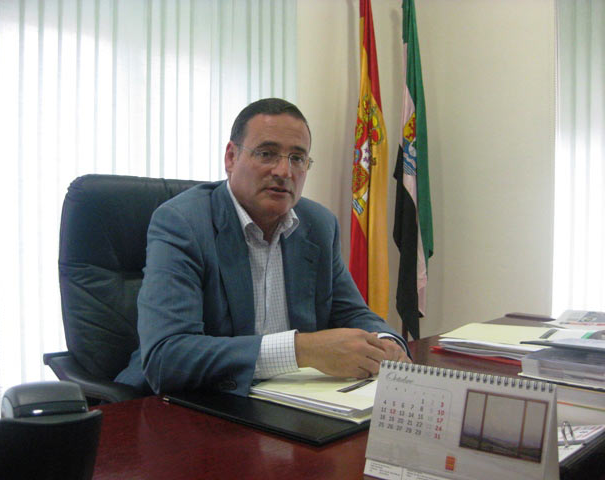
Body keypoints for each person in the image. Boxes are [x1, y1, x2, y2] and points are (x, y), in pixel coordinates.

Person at [115, 98, 411, 396]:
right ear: (231, 158)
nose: (284, 171)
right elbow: (167, 357)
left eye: (297, 158)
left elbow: (354, 313)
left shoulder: (318, 224)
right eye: (267, 154)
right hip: (186, 406)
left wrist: (388, 343)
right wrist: (301, 350)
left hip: (289, 402)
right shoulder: (182, 223)